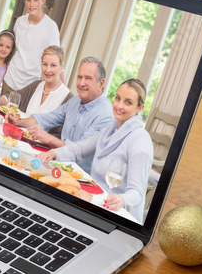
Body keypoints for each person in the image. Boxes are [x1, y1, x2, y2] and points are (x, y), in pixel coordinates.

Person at [38, 79, 153, 219]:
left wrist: (121, 200)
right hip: (96, 199)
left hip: (118, 214)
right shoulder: (112, 129)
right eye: (118, 98)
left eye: (128, 102)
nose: (119, 106)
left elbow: (137, 192)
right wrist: (54, 153)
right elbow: (80, 149)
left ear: (139, 108)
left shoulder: (140, 140)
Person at [6, 56, 113, 172]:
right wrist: (19, 122)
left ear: (101, 84)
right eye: (80, 77)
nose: (82, 83)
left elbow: (79, 150)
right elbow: (47, 118)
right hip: (56, 164)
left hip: (78, 174)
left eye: (88, 78)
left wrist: (48, 138)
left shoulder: (105, 115)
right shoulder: (74, 101)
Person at [1, 0, 61, 93]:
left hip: (31, 88)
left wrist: (61, 89)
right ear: (24, 1)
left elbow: (56, 59)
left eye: (36, 0)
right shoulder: (19, 22)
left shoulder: (51, 27)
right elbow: (12, 49)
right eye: (29, 0)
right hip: (9, 80)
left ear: (43, 1)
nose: (32, 4)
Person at [0, 45, 71, 117]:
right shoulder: (36, 85)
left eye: (53, 65)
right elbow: (14, 97)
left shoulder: (67, 98)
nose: (48, 70)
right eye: (45, 64)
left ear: (62, 68)